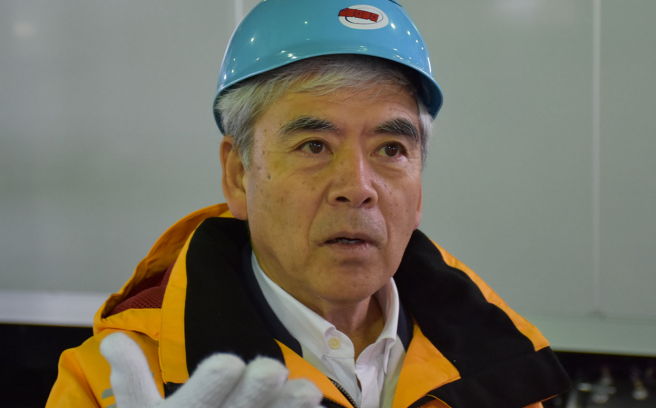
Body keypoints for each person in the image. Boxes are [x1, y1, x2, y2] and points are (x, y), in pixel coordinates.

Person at [47, 1, 571, 407]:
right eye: (314, 146)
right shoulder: (118, 381)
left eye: (391, 149)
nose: (358, 187)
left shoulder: (504, 363)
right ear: (238, 175)